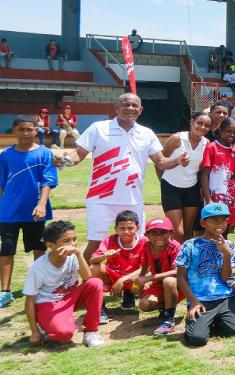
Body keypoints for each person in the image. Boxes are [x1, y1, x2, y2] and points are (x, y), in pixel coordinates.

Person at [68, 93, 180, 262]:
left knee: (137, 243)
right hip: (100, 198)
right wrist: (66, 160)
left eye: (134, 106)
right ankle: (86, 283)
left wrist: (178, 160)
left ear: (140, 110)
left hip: (132, 199)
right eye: (126, 104)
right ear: (116, 108)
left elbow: (161, 162)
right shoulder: (98, 128)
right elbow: (78, 153)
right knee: (96, 244)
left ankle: (131, 282)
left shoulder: (146, 133)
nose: (130, 108)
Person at [0, 115, 56, 307]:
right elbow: (1, 184)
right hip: (9, 211)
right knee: (7, 249)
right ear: (14, 131)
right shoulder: (6, 155)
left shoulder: (44, 153)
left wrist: (41, 204)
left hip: (35, 211)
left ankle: (39, 286)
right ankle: (5, 292)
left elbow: (48, 181)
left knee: (39, 248)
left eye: (29, 130)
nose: (25, 133)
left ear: (36, 131)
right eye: (21, 129)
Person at [23, 220, 104, 347]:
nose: (72, 244)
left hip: (69, 298)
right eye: (66, 241)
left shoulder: (73, 256)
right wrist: (34, 332)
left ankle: (91, 331)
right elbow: (29, 300)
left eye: (74, 239)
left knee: (95, 283)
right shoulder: (38, 267)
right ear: (50, 245)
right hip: (48, 304)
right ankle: (44, 326)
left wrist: (78, 254)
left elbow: (88, 277)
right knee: (64, 335)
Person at [176, 203, 235, 347]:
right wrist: (193, 301)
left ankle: (213, 320)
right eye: (214, 220)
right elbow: (180, 277)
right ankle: (198, 324)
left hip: (223, 298)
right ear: (203, 223)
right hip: (200, 299)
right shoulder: (190, 245)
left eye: (223, 220)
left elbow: (225, 278)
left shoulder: (229, 245)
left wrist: (226, 254)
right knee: (197, 339)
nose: (220, 224)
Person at [158, 112, 210, 242]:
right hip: (171, 187)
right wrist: (164, 181)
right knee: (178, 232)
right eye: (199, 123)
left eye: (207, 125)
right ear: (192, 122)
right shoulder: (177, 138)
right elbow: (159, 162)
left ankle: (186, 260)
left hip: (191, 188)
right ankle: (175, 260)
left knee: (188, 231)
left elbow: (201, 169)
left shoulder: (206, 143)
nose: (203, 127)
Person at [90, 210, 146, 317]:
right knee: (94, 268)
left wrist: (122, 280)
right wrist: (105, 255)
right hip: (113, 276)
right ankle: (99, 307)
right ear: (115, 229)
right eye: (122, 228)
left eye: (130, 228)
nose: (126, 232)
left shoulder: (144, 242)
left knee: (141, 281)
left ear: (137, 228)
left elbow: (145, 268)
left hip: (133, 278)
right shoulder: (110, 240)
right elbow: (92, 261)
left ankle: (129, 294)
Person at [136, 218, 181, 336]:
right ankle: (164, 308)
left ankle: (169, 319)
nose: (158, 236)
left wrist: (149, 278)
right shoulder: (147, 246)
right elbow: (145, 265)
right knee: (144, 305)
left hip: (179, 286)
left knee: (169, 281)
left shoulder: (174, 247)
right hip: (158, 285)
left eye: (163, 232)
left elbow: (177, 271)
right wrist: (139, 282)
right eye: (154, 233)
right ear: (147, 235)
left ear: (171, 233)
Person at [200, 118, 235, 231]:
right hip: (215, 197)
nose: (232, 135)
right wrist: (208, 198)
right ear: (221, 131)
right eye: (228, 131)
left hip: (231, 197)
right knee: (214, 228)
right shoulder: (212, 147)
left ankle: (223, 249)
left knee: (227, 227)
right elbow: (204, 174)